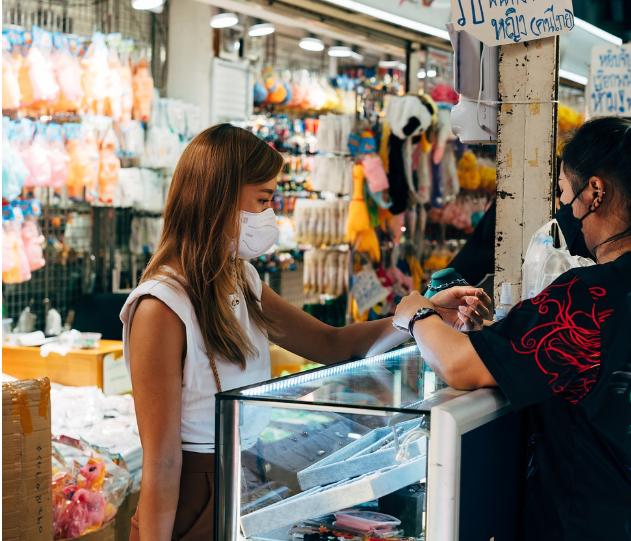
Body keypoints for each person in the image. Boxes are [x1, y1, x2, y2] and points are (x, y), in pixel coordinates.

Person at [120, 124, 491, 541]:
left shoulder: (241, 278)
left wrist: (421, 315)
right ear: (218, 197)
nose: (270, 214)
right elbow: (163, 462)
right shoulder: (161, 306)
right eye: (263, 199)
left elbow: (331, 344)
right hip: (191, 495)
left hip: (243, 478)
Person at [395, 117, 631, 540]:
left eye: (563, 191)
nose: (564, 207)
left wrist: (417, 312)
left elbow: (456, 364)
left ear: (595, 192)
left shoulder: (587, 295)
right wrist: (491, 331)